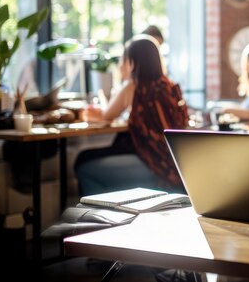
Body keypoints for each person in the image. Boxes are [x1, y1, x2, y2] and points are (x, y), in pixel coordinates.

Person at [74, 34, 189, 196]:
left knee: (83, 164)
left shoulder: (134, 86)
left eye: (123, 59)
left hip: (154, 164)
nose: (120, 65)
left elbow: (106, 115)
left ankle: (100, 213)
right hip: (176, 164)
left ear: (133, 62)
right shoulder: (169, 86)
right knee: (86, 159)